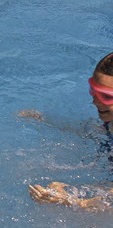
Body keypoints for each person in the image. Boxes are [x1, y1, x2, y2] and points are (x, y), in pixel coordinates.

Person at [29, 52, 113, 211]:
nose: (94, 101)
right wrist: (45, 120)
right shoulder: (109, 120)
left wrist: (71, 200)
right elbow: (89, 130)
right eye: (93, 91)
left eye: (105, 96)